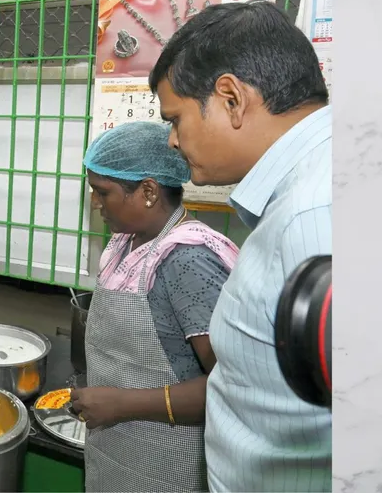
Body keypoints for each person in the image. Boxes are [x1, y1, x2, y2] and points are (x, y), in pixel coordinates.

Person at [150, 0, 332, 492]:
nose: (172, 140)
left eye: (176, 118)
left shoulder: (317, 213)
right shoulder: (306, 192)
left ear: (231, 98)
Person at [70, 121, 240, 492]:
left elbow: (234, 387)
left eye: (103, 192)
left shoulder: (188, 261)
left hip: (170, 465)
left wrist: (121, 404)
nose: (95, 203)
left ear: (148, 191)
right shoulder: (125, 241)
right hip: (117, 454)